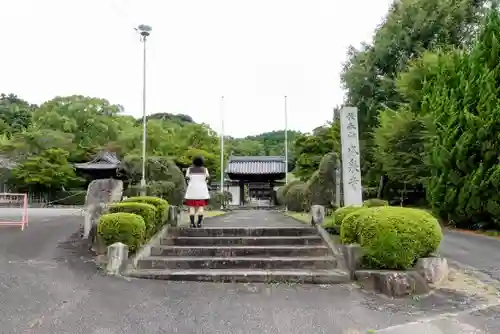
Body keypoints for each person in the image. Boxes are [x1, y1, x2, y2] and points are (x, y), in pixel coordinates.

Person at [184, 156, 210, 228]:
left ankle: (192, 223)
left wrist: (190, 183)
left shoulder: (189, 169)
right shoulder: (205, 170)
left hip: (191, 191)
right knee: (201, 207)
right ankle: (199, 223)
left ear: (194, 162)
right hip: (202, 191)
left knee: (191, 207)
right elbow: (207, 179)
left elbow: (187, 179)